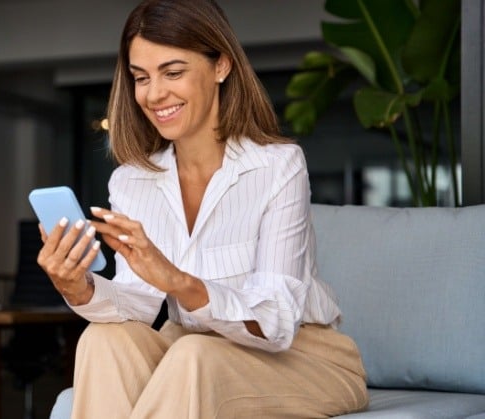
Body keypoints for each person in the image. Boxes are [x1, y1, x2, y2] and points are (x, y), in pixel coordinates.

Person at [36, 0, 369, 417]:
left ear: (221, 66)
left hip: (302, 358)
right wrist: (76, 285)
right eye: (141, 78)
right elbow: (137, 305)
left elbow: (277, 319)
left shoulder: (277, 166)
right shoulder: (131, 181)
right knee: (104, 340)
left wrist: (178, 281)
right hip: (190, 350)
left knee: (194, 354)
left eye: (173, 72)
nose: (154, 94)